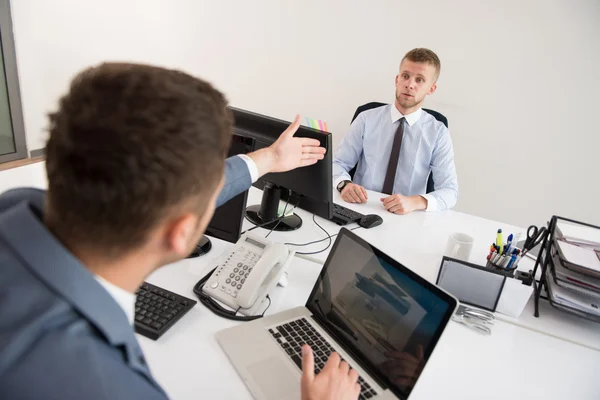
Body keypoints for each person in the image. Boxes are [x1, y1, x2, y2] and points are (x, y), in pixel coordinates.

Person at [0, 63, 360, 400]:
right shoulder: (107, 386)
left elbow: (175, 198)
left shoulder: (15, 206)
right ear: (180, 231)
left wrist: (266, 159)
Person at [332, 48, 459, 215]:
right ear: (397, 79)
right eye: (405, 76)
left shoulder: (438, 132)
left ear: (431, 88)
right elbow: (337, 163)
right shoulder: (366, 118)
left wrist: (415, 202)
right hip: (361, 207)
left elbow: (450, 191)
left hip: (407, 215)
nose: (410, 84)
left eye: (420, 80)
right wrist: (344, 185)